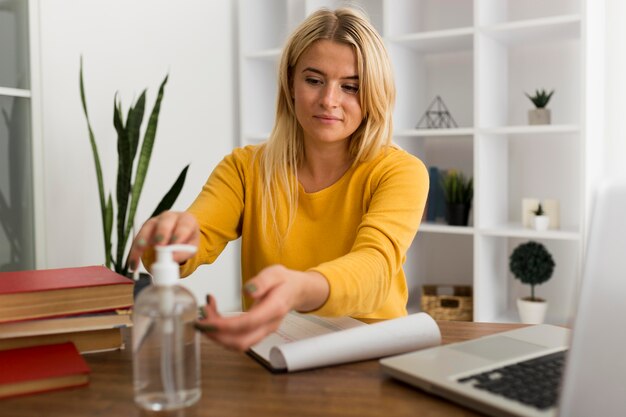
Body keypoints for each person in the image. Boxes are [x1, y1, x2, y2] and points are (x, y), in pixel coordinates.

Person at [127, 7, 429, 352]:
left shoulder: (400, 171)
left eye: (350, 87)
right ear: (290, 83)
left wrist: (299, 288)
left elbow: (375, 269)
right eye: (314, 80)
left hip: (370, 352)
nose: (329, 101)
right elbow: (196, 235)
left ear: (375, 92)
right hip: (274, 351)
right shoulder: (244, 168)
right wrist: (172, 240)